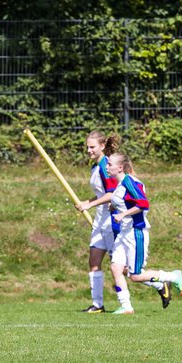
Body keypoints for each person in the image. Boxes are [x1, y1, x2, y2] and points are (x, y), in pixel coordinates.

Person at [102, 152, 182, 314]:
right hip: (124, 233)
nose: (107, 167)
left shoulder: (130, 182)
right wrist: (116, 208)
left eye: (110, 164)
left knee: (136, 276)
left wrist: (123, 214)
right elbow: (127, 202)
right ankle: (126, 307)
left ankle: (172, 276)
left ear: (120, 167)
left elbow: (143, 204)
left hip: (135, 233)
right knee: (115, 268)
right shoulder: (120, 184)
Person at [73, 130, 121, 313]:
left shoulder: (106, 166)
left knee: (126, 271)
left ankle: (160, 281)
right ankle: (97, 304)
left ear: (102, 146)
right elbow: (101, 194)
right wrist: (88, 202)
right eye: (87, 147)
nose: (88, 150)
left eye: (92, 147)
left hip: (111, 219)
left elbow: (111, 194)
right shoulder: (94, 167)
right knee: (94, 261)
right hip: (99, 221)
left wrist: (89, 205)